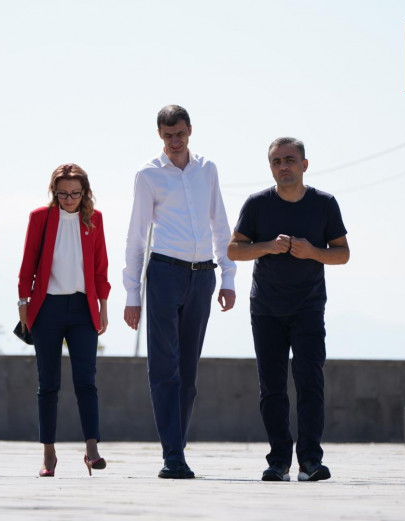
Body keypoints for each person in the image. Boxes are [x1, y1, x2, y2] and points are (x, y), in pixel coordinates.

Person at [123, 105, 236, 479]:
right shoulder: (148, 175)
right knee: (164, 368)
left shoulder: (207, 169)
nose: (175, 141)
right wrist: (132, 294)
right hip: (164, 274)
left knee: (188, 373)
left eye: (180, 134)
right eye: (168, 135)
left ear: (190, 131)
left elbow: (220, 224)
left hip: (202, 276)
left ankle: (178, 449)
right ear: (160, 134)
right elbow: (137, 236)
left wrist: (228, 277)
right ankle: (172, 455)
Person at [227, 137, 350, 482]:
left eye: (290, 160)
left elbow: (342, 253)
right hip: (266, 308)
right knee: (272, 388)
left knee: (310, 382)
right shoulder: (257, 204)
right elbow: (234, 249)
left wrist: (313, 252)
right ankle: (278, 461)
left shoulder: (324, 203)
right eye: (277, 161)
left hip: (308, 307)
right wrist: (267, 246)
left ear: (304, 165)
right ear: (271, 168)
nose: (284, 166)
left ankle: (310, 461)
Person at [17, 163, 111, 477]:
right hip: (47, 309)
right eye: (63, 194)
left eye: (75, 193)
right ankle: (49, 455)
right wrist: (23, 304)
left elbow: (100, 268)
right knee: (48, 384)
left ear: (85, 192)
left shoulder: (94, 220)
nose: (69, 199)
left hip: (83, 309)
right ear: (54, 192)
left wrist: (103, 307)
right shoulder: (40, 218)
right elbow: (27, 265)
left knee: (87, 381)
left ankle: (92, 450)